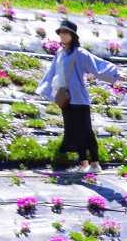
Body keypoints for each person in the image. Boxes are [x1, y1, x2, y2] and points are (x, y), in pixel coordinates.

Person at [35, 18, 121, 172]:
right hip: (65, 98)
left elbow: (97, 66)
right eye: (61, 32)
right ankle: (83, 163)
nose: (62, 35)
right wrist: (45, 88)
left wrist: (116, 74)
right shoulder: (60, 53)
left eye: (66, 32)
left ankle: (95, 164)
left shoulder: (80, 53)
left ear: (73, 35)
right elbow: (52, 72)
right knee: (73, 131)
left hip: (79, 98)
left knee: (86, 132)